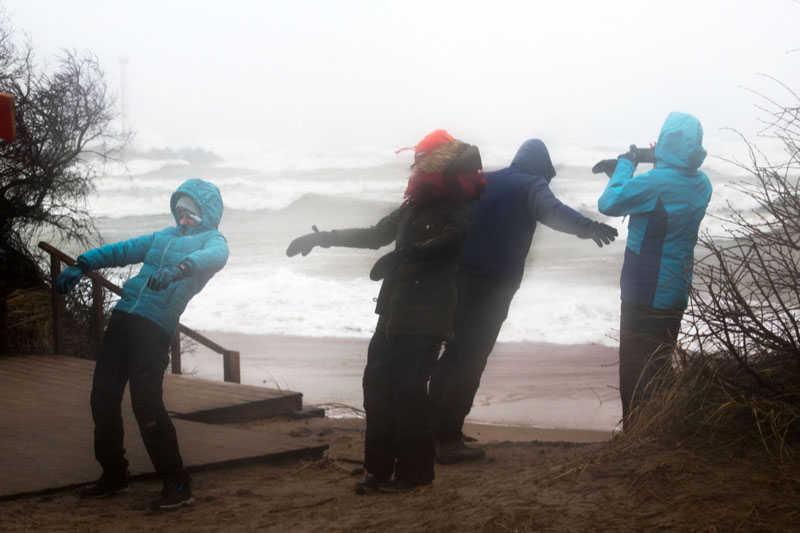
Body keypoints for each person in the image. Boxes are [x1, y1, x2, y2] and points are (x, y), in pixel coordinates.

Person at [286, 130, 484, 493]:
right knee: (376, 385)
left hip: (429, 314)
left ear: (440, 161)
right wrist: (324, 237)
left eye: (422, 159)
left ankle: (415, 475)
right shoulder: (415, 202)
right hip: (392, 312)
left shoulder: (460, 203)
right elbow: (376, 234)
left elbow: (453, 240)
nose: (416, 165)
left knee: (409, 391)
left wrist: (410, 253)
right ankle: (378, 470)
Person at [428, 139, 618, 464]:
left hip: (456, 279)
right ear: (542, 167)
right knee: (470, 360)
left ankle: (434, 433)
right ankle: (447, 441)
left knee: (453, 353)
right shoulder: (532, 183)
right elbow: (551, 210)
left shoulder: (486, 179)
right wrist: (587, 227)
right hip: (492, 286)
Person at [56, 179, 229, 510]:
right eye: (179, 212)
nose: (182, 219)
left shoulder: (213, 240)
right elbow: (122, 250)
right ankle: (114, 475)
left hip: (154, 327)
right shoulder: (161, 237)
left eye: (189, 213)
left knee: (146, 404)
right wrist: (83, 263)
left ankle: (178, 484)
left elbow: (213, 258)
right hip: (123, 318)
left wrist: (178, 270)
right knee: (102, 397)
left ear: (205, 213)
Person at [597, 111, 712, 428]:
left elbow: (608, 203)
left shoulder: (656, 183)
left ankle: (635, 434)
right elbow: (663, 198)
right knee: (658, 364)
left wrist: (626, 164)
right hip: (676, 288)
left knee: (634, 368)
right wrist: (661, 162)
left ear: (668, 142)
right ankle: (657, 429)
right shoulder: (702, 184)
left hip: (644, 289)